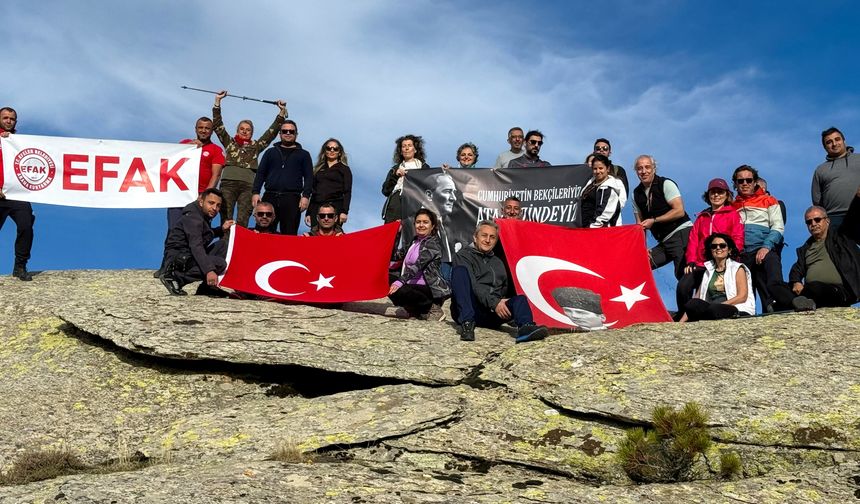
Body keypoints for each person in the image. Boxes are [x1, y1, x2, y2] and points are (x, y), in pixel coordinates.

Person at [450, 220, 549, 343]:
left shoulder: (498, 262)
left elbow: (504, 289)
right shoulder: (463, 256)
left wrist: (504, 303)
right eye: (484, 235)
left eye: (492, 237)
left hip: (492, 313)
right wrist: (495, 303)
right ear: (475, 237)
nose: (487, 240)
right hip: (470, 309)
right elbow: (474, 286)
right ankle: (467, 324)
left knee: (520, 300)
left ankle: (525, 328)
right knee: (460, 272)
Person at [155, 116, 226, 277]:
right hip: (179, 194)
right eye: (200, 127)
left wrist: (205, 197)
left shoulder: (215, 150)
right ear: (195, 129)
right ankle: (166, 266)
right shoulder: (185, 144)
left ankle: (190, 266)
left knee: (199, 233)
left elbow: (216, 175)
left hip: (199, 198)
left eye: (207, 128)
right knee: (174, 230)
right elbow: (170, 160)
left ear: (212, 131)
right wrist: (188, 148)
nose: (203, 130)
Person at [212, 90, 287, 228]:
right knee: (226, 218)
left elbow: (271, 133)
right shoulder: (230, 143)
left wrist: (281, 113)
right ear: (237, 130)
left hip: (248, 186)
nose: (245, 131)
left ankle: (240, 245)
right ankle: (226, 245)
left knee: (243, 219)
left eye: (248, 129)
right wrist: (217, 102)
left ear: (252, 133)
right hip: (228, 183)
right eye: (242, 128)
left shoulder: (256, 146)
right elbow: (217, 126)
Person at [769, 197, 860, 311]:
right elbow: (796, 270)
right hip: (809, 292)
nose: (813, 224)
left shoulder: (841, 239)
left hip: (838, 291)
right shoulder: (806, 248)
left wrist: (857, 198)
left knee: (814, 287)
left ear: (827, 221)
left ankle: (788, 304)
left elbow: (851, 219)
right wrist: (796, 282)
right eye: (809, 222)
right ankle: (799, 303)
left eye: (817, 219)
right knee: (775, 285)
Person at [675, 178, 745, 316]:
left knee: (717, 293)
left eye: (720, 192)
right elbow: (693, 240)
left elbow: (738, 238)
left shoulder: (733, 215)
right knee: (683, 286)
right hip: (701, 263)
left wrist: (731, 256)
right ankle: (684, 315)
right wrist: (691, 260)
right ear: (708, 196)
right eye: (713, 193)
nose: (716, 195)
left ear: (727, 195)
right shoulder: (702, 217)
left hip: (721, 262)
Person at [159, 188, 235, 296]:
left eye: (218, 205)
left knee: (222, 245)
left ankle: (207, 288)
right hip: (178, 260)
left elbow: (203, 235)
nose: (214, 208)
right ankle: (176, 278)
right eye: (211, 203)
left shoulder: (201, 215)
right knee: (219, 264)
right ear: (201, 202)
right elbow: (196, 246)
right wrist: (209, 270)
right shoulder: (193, 217)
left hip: (188, 257)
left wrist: (221, 229)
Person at [731, 165, 785, 311]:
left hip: (762, 248)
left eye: (749, 180)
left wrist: (766, 246)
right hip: (741, 254)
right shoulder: (731, 206)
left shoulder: (769, 200)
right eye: (740, 181)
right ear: (735, 184)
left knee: (769, 284)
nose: (745, 183)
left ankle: (779, 306)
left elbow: (778, 227)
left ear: (755, 182)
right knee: (744, 295)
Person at [631, 154, 693, 279]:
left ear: (654, 168)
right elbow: (640, 225)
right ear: (636, 171)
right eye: (640, 168)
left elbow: (679, 211)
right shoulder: (636, 194)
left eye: (647, 167)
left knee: (683, 275)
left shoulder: (666, 184)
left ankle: (694, 298)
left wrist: (654, 221)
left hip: (681, 233)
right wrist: (642, 248)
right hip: (664, 241)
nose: (644, 171)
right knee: (639, 264)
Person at [251, 119, 313, 235]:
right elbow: (261, 173)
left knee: (289, 233)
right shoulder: (270, 152)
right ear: (280, 134)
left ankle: (287, 254)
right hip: (270, 196)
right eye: (285, 131)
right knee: (263, 231)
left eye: (291, 131)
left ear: (296, 134)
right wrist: (255, 192)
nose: (288, 133)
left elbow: (309, 177)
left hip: (292, 198)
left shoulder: (304, 154)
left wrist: (305, 196)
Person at [388, 209, 450, 320]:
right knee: (386, 279)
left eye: (425, 222)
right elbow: (394, 256)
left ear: (433, 226)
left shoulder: (433, 243)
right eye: (418, 222)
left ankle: (432, 308)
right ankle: (416, 310)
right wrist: (396, 234)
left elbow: (418, 265)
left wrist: (400, 281)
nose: (421, 225)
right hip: (411, 285)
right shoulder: (413, 242)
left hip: (428, 289)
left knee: (399, 289)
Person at [678, 233, 754, 322]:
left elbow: (742, 296)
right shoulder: (708, 272)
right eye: (714, 246)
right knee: (692, 304)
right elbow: (697, 298)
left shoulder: (737, 268)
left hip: (734, 308)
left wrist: (720, 305)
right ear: (711, 250)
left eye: (722, 246)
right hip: (711, 309)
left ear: (729, 250)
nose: (718, 248)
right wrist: (681, 323)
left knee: (713, 310)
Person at [0, 106, 35, 281]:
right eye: (5, 118)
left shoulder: (19, 142)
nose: (8, 121)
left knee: (26, 226)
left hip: (16, 194)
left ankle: (20, 266)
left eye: (11, 119)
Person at [812, 127, 860, 229]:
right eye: (829, 142)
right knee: (837, 245)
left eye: (837, 139)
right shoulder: (820, 170)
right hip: (833, 219)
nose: (834, 144)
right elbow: (817, 202)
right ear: (825, 147)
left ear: (844, 141)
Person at [381, 135, 430, 223]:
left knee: (412, 233)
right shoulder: (394, 169)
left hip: (415, 202)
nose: (406, 148)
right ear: (401, 151)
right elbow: (385, 190)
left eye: (409, 145)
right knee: (392, 234)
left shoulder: (424, 167)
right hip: (395, 204)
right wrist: (395, 176)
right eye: (404, 146)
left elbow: (429, 187)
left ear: (415, 150)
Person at [306, 138, 352, 229]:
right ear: (325, 151)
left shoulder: (344, 169)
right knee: (315, 236)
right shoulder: (318, 169)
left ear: (339, 152)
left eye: (335, 149)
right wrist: (308, 213)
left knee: (333, 236)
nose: (332, 150)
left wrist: (344, 211)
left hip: (335, 206)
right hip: (317, 207)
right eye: (329, 148)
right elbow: (313, 192)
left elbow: (347, 192)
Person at [580, 153, 626, 228]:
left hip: (601, 231)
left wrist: (591, 227)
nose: (598, 171)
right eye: (595, 169)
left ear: (607, 169)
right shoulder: (590, 183)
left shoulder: (610, 187)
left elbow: (605, 213)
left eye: (601, 168)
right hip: (584, 228)